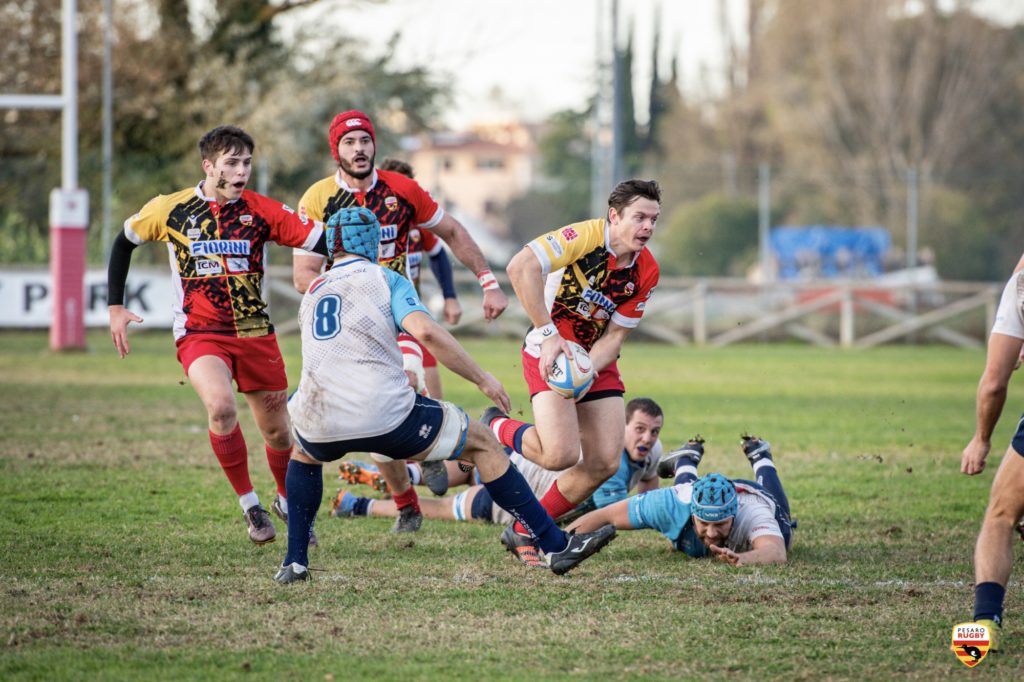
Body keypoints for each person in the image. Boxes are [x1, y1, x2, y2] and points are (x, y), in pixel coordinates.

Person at [273, 206, 616, 583]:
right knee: (483, 443)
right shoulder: (386, 278)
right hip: (383, 414)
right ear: (373, 242)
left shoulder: (313, 290)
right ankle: (553, 544)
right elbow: (428, 333)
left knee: (303, 456)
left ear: (330, 247)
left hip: (317, 416)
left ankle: (295, 561)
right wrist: (482, 378)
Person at [107, 125, 329, 545]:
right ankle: (251, 506)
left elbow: (320, 238)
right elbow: (124, 242)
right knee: (221, 407)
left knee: (279, 433)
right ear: (208, 166)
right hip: (200, 332)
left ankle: (284, 499)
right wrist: (115, 306)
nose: (241, 170)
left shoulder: (261, 209)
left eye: (246, 162)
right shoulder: (171, 208)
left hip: (253, 331)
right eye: (232, 162)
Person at [292, 113, 504, 528]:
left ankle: (426, 454)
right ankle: (408, 499)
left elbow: (452, 234)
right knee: (373, 421)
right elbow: (303, 275)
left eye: (365, 140)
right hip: (351, 327)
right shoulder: (317, 198)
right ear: (336, 150)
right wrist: (344, 293)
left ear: (375, 145)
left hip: (398, 315)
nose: (359, 149)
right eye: (349, 141)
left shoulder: (402, 190)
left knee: (405, 378)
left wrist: (488, 281)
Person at [483, 179, 661, 566]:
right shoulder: (584, 237)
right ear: (614, 216)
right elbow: (520, 266)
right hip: (549, 349)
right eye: (639, 217)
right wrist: (548, 336)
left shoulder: (646, 270)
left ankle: (525, 528)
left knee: (604, 462)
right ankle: (494, 427)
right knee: (559, 455)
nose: (647, 227)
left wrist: (585, 371)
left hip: (593, 357)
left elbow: (614, 337)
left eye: (653, 219)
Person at [333, 397, 665, 530]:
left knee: (465, 467)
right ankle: (357, 505)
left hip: (509, 462)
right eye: (639, 429)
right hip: (512, 495)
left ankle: (405, 473)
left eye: (653, 432)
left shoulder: (651, 451)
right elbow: (622, 513)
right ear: (619, 427)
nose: (647, 438)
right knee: (443, 507)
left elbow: (649, 483)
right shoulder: (610, 468)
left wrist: (661, 485)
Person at [567, 435, 794, 566]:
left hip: (755, 495)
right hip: (688, 494)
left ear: (734, 515)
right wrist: (556, 544)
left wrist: (742, 558)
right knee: (684, 492)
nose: (712, 533)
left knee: (782, 518)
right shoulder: (670, 503)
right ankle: (685, 460)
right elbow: (605, 515)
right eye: (704, 523)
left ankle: (760, 456)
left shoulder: (753, 511)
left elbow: (776, 552)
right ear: (692, 512)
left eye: (721, 523)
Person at [960, 266, 1024, 652]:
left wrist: (981, 439)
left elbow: (995, 382)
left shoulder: (1021, 283)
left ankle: (985, 625)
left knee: (1001, 517)